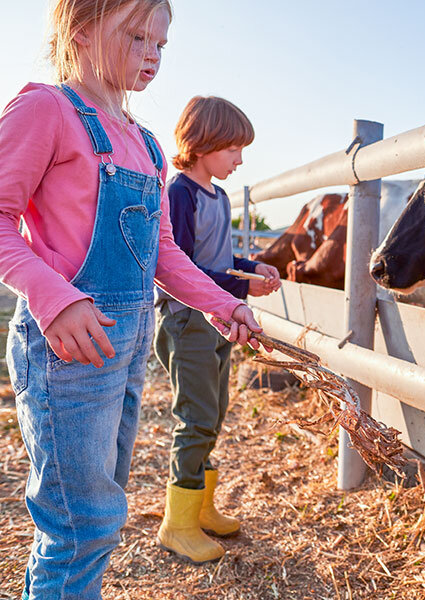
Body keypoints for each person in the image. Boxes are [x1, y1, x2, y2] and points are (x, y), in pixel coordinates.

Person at [0, 1, 266, 597]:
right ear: (81, 31)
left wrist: (221, 303)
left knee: (101, 510)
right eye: (137, 36)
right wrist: (55, 298)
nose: (152, 54)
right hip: (67, 346)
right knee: (79, 525)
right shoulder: (46, 110)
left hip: (128, 345)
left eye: (161, 44)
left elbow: (165, 254)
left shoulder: (145, 143)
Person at [153, 96, 280, 563]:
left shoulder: (218, 196)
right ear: (203, 144)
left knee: (216, 411)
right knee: (197, 415)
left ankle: (201, 508)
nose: (240, 159)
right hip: (189, 319)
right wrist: (233, 285)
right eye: (232, 149)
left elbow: (219, 261)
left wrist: (252, 269)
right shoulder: (179, 194)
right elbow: (180, 266)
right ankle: (178, 523)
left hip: (221, 320)